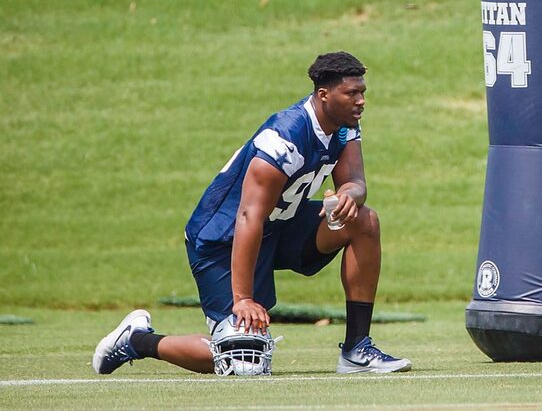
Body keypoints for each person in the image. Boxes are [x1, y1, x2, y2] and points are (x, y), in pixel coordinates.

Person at [92, 51, 411, 375]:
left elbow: (355, 180)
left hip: (279, 227)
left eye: (362, 92)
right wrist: (243, 298)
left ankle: (356, 348)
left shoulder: (344, 125)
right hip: (224, 238)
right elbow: (248, 217)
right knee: (241, 359)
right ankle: (138, 340)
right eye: (352, 93)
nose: (361, 101)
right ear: (324, 95)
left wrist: (348, 195)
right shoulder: (284, 137)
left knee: (364, 221)